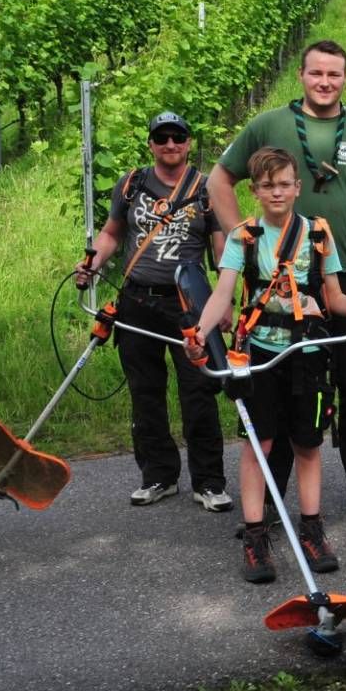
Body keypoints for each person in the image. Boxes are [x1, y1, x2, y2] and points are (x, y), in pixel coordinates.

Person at [206, 40, 346, 521]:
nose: (325, 82)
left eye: (334, 74)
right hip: (282, 288)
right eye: (316, 74)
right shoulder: (269, 125)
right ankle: (268, 506)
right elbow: (218, 180)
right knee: (284, 389)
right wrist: (237, 241)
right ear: (301, 76)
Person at [190, 148, 346, 583]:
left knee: (308, 445)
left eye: (284, 183)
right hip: (259, 356)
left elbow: (333, 299)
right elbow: (223, 295)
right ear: (255, 190)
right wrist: (200, 331)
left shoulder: (317, 235)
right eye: (268, 185)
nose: (277, 192)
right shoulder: (243, 238)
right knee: (259, 445)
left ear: (297, 187)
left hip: (307, 353)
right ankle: (256, 536)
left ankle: (312, 530)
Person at [74, 110, 230, 511]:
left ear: (189, 142)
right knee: (145, 392)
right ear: (151, 144)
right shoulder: (132, 184)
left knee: (199, 391)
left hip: (189, 305)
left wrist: (224, 300)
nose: (171, 145)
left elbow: (220, 246)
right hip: (136, 301)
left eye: (178, 137)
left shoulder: (206, 188)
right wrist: (91, 266)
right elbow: (111, 234)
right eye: (162, 138)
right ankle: (159, 475)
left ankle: (209, 482)